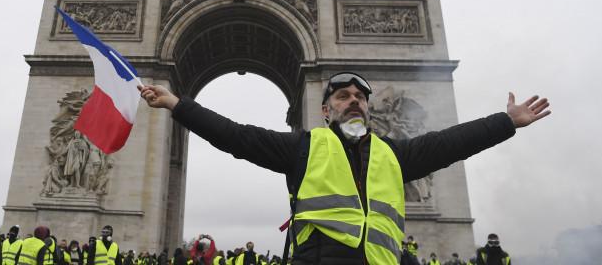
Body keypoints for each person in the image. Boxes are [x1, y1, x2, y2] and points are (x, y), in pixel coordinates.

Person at [138, 73, 551, 265]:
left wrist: (506, 121)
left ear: (370, 108)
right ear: (324, 110)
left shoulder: (395, 155)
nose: (352, 100)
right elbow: (236, 136)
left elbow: (449, 144)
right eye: (341, 96)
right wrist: (176, 103)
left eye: (359, 96)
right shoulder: (303, 147)